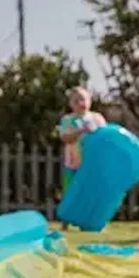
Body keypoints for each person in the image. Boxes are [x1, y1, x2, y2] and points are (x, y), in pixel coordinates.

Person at [57, 86, 106, 229]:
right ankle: (65, 223)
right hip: (72, 164)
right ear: (70, 104)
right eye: (76, 100)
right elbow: (65, 138)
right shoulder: (68, 120)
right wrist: (81, 130)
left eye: (83, 99)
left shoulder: (97, 119)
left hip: (91, 165)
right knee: (70, 193)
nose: (80, 103)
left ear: (90, 101)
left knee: (90, 193)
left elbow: (106, 138)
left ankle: (88, 222)